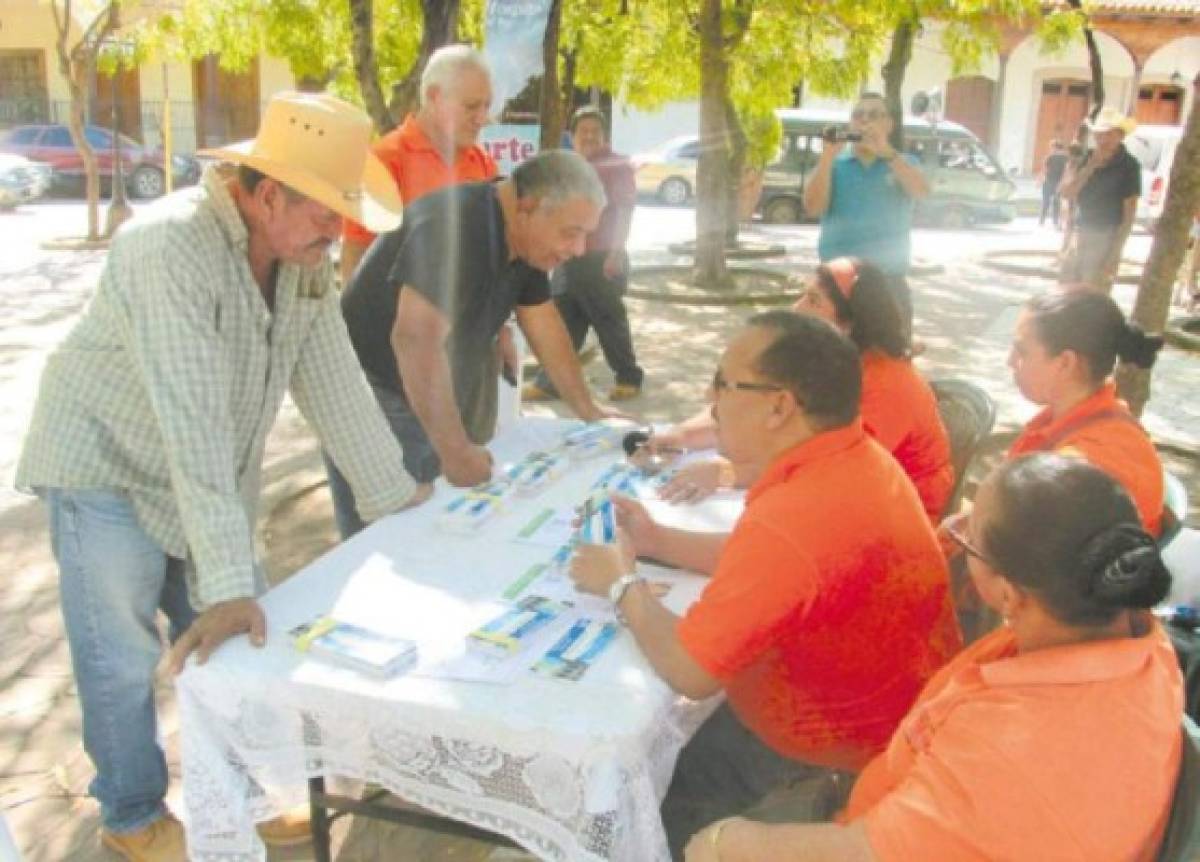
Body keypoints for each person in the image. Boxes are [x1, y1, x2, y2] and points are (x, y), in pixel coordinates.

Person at [14, 92, 432, 861]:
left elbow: (332, 375)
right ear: (267, 192)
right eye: (324, 213)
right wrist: (227, 582)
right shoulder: (168, 246)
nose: (336, 231)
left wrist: (396, 497)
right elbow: (192, 422)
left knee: (238, 639)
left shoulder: (302, 256)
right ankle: (131, 810)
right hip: (104, 463)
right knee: (122, 653)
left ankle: (242, 791)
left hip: (198, 467)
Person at [569, 312, 962, 859]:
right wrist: (656, 539)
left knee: (626, 802)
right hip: (883, 723)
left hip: (829, 755)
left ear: (780, 406)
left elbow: (690, 671)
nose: (712, 399)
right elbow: (775, 570)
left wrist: (620, 583)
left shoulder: (797, 512)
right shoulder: (855, 456)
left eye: (724, 384)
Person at [683, 454, 1182, 862]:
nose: (953, 526)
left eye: (969, 534)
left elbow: (864, 853)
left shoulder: (1014, 752)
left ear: (1008, 594)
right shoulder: (1139, 639)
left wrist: (726, 843)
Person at [330, 150, 621, 535]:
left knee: (444, 519)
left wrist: (589, 410)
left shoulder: (526, 241)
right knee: (394, 533)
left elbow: (543, 322)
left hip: (421, 384)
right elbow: (415, 340)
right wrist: (455, 452)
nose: (579, 249)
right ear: (528, 208)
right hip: (374, 389)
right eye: (572, 232)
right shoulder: (456, 226)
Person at [641, 258, 953, 522]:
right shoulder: (830, 360)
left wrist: (727, 472)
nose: (797, 309)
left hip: (888, 523)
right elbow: (747, 402)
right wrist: (681, 436)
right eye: (803, 296)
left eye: (814, 301)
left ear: (850, 324)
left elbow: (825, 470)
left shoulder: (888, 386)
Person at [1006, 289, 1165, 536]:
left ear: (1066, 363)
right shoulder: (1089, 420)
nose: (1009, 361)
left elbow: (1028, 563)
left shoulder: (1083, 467)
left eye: (1021, 352)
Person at [338, 44, 496, 284]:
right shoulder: (384, 161)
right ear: (434, 97)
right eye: (471, 107)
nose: (482, 119)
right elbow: (356, 257)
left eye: (487, 106)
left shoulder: (484, 165)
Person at [523, 106, 644, 402]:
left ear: (604, 136)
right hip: (566, 257)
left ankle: (629, 376)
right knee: (563, 320)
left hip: (600, 257)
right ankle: (550, 382)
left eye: (595, 131)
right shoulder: (568, 167)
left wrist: (616, 251)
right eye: (583, 131)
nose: (589, 136)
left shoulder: (617, 166)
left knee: (607, 319)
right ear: (572, 136)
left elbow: (626, 210)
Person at [803, 92, 930, 337]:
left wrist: (887, 152)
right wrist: (827, 157)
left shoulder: (904, 162)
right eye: (858, 115)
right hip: (837, 284)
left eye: (874, 115)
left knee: (889, 363)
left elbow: (922, 192)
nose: (865, 121)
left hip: (888, 283)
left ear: (889, 124)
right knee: (831, 364)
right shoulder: (833, 164)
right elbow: (813, 207)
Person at [1059, 107, 1141, 293]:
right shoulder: (1086, 158)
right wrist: (1089, 168)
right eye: (1099, 135)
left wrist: (1115, 252)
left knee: (1093, 293)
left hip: (1105, 235)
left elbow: (1130, 212)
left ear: (1120, 136)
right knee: (1066, 290)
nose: (1103, 140)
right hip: (1079, 231)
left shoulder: (1129, 165)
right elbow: (1066, 193)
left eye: (1109, 134)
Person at [1039, 139, 1068, 228]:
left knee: (1045, 202)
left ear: (1055, 147)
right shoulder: (1066, 157)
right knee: (1057, 202)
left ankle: (1042, 221)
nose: (1050, 149)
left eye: (1051, 147)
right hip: (1059, 183)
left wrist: (1039, 180)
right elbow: (1066, 171)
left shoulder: (1050, 157)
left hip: (1048, 182)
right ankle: (1055, 221)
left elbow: (1044, 169)